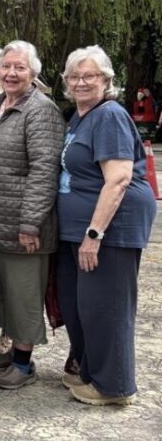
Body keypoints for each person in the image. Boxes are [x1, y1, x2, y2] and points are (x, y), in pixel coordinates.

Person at [56, 46, 156, 406]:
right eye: (75, 76)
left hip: (109, 229)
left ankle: (114, 387)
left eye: (90, 76)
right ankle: (91, 370)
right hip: (79, 226)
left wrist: (94, 235)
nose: (82, 82)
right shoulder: (81, 116)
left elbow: (118, 179)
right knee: (80, 304)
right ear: (66, 82)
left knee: (106, 306)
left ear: (106, 80)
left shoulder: (109, 115)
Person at [0, 41, 63, 390]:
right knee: (6, 290)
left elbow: (44, 170)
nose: (11, 73)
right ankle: (14, 352)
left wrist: (30, 223)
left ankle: (24, 365)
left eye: (19, 68)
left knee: (24, 293)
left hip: (24, 224)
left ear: (33, 73)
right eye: (6, 67)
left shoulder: (40, 110)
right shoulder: (0, 103)